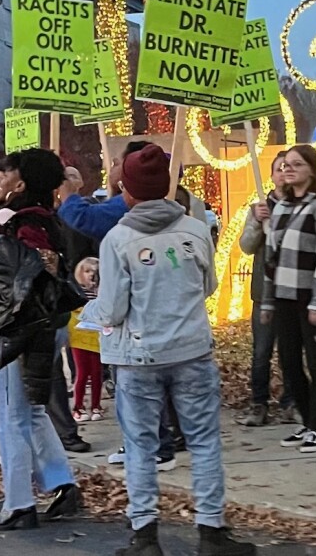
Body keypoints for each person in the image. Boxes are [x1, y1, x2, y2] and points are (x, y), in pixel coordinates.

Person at [80, 144, 255, 556]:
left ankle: (145, 537)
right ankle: (211, 532)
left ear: (127, 190)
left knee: (141, 446)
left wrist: (92, 304)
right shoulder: (195, 230)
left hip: (138, 358)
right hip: (192, 349)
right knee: (204, 441)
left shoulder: (117, 239)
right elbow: (209, 286)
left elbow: (114, 308)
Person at [57, 142, 177, 468]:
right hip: (171, 315)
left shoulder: (124, 215)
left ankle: (145, 448)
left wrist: (66, 191)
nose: (111, 167)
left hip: (130, 317)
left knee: (131, 384)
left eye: (117, 164)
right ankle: (164, 442)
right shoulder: (181, 216)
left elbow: (81, 217)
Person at [0, 149, 80, 529]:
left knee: (12, 417)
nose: (2, 181)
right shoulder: (39, 219)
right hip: (42, 326)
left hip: (23, 329)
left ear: (23, 182)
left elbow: (25, 269)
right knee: (33, 411)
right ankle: (61, 483)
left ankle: (19, 503)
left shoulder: (27, 223)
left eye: (10, 175)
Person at [261, 145, 316, 454]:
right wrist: (268, 302)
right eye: (284, 165)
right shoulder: (281, 207)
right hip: (284, 296)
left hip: (311, 297)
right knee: (289, 360)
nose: (288, 169)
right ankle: (306, 421)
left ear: (313, 169)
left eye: (296, 164)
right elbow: (272, 257)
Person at [238, 151, 296, 426]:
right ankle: (258, 404)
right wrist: (257, 224)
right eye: (278, 169)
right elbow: (246, 246)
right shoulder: (260, 207)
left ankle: (291, 401)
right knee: (261, 352)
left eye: (289, 168)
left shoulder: (303, 205)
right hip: (264, 291)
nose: (284, 173)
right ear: (271, 176)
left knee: (292, 350)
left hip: (293, 290)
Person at [70, 257, 103, 422]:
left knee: (97, 373)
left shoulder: (101, 291)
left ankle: (96, 405)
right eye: (87, 271)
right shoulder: (76, 291)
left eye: (94, 272)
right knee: (82, 373)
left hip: (96, 336)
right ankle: (78, 407)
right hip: (80, 337)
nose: (91, 275)